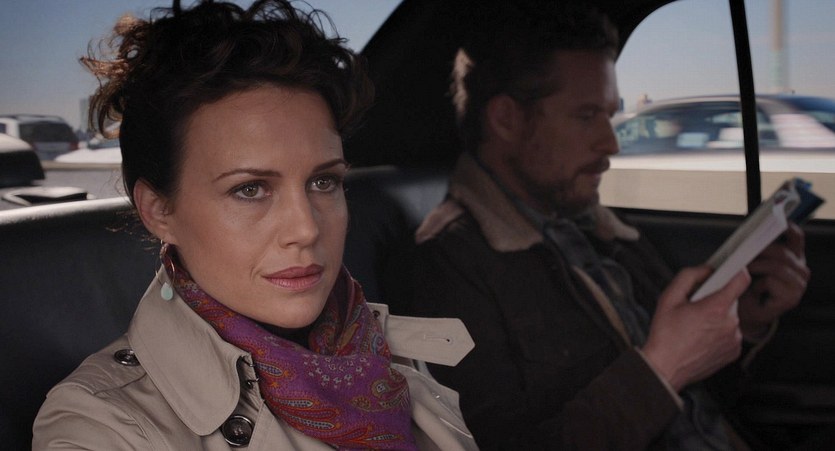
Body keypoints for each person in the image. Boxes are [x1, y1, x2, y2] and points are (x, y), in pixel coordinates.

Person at [32, 1, 478, 449]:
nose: (305, 229)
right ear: (159, 211)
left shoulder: (378, 352)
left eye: (324, 181)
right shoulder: (100, 428)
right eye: (250, 189)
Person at [406, 2, 809, 450]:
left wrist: (746, 321)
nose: (611, 142)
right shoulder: (447, 267)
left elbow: (698, 399)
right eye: (586, 116)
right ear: (507, 119)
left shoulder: (597, 229)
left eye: (610, 115)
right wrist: (662, 369)